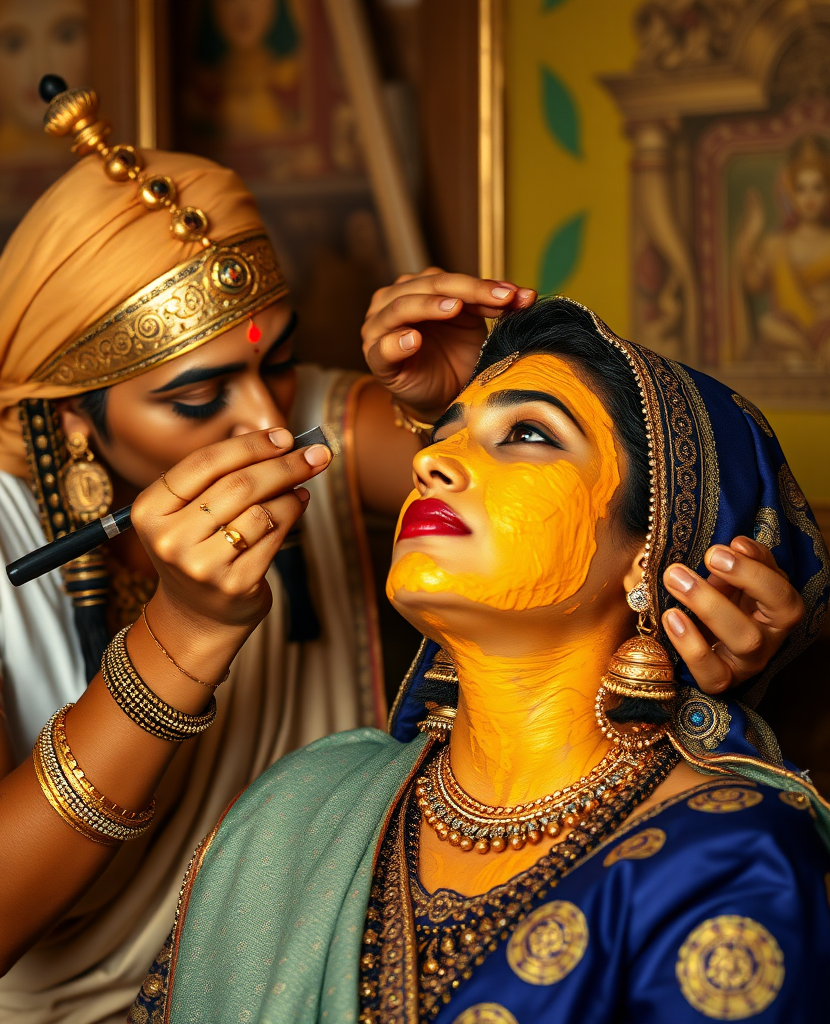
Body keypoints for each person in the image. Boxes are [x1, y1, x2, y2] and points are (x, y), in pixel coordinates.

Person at [0, 78, 802, 1020]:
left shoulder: (723, 858)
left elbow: (658, 462)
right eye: (196, 400)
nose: (268, 427)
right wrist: (183, 633)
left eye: (279, 365)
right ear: (70, 418)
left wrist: (473, 395)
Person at [128, 298, 830, 1024]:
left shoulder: (727, 852)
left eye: (528, 433)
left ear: (652, 555)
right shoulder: (303, 805)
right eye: (443, 435)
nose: (431, 460)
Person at [735, 134, 830, 364]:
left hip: (826, 324)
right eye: (801, 189)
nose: (809, 197)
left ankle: (812, 357)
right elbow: (753, 283)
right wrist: (750, 233)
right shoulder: (775, 244)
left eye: (817, 188)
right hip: (789, 329)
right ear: (790, 194)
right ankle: (807, 354)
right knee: (768, 325)